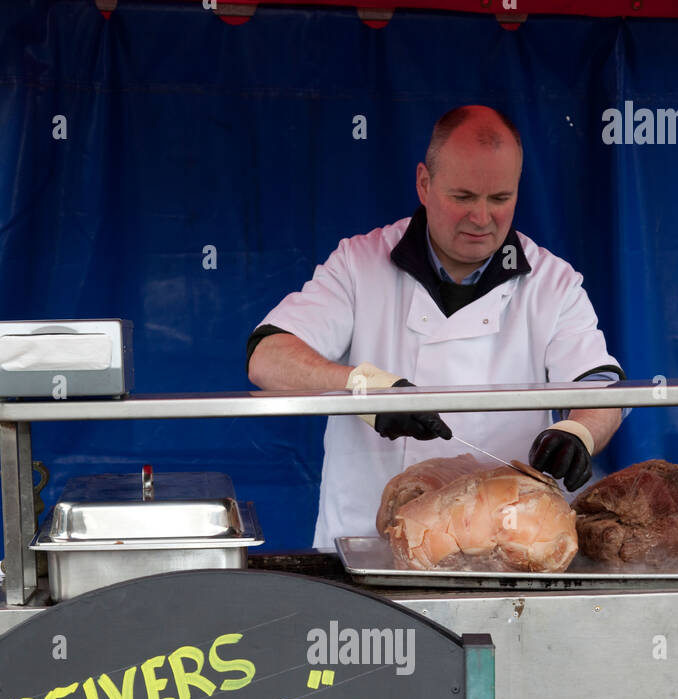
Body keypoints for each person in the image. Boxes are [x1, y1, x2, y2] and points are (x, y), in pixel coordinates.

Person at [247, 105, 625, 550]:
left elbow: (601, 388)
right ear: (424, 184)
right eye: (463, 197)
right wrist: (365, 388)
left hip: (505, 557)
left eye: (500, 199)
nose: (482, 218)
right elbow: (267, 356)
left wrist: (579, 432)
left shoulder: (552, 282)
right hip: (365, 549)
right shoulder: (358, 264)